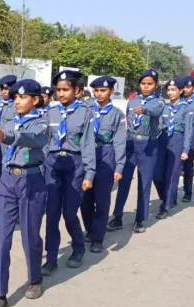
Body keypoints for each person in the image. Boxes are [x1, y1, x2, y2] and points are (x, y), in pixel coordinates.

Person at [0, 79, 50, 307]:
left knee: (30, 236)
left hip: (31, 182)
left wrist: (7, 136)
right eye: (15, 98)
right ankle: (0, 295)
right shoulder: (8, 118)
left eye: (23, 97)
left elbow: (32, 140)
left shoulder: (42, 122)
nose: (18, 101)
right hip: (8, 181)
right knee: (2, 238)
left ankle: (34, 279)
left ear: (35, 99)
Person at [40, 70, 96, 276]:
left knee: (69, 213)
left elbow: (89, 144)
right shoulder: (50, 112)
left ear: (77, 91)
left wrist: (89, 174)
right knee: (52, 214)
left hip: (75, 164)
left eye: (66, 89)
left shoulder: (85, 113)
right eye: (58, 90)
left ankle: (78, 247)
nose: (61, 93)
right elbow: (44, 142)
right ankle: (52, 257)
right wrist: (41, 167)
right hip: (53, 164)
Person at [108, 69, 165, 233]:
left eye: (150, 84)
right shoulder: (132, 101)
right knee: (123, 181)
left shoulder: (159, 102)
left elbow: (156, 111)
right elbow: (127, 119)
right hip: (132, 143)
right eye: (143, 83)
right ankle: (117, 217)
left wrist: (145, 110)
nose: (146, 87)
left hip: (149, 146)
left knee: (144, 182)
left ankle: (140, 219)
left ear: (156, 85)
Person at [80, 76, 126, 253]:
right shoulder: (85, 110)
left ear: (111, 92)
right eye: (96, 91)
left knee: (102, 199)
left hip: (106, 156)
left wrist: (119, 166)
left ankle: (97, 237)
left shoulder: (117, 115)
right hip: (86, 155)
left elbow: (119, 142)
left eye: (103, 91)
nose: (99, 94)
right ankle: (90, 229)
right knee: (85, 199)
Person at [153, 79, 194, 219]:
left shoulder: (186, 108)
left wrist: (185, 150)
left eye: (173, 90)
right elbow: (158, 125)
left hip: (178, 140)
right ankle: (168, 197)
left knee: (172, 175)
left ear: (181, 90)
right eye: (168, 90)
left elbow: (189, 130)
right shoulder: (165, 107)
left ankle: (165, 207)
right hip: (163, 140)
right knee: (157, 174)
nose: (170, 93)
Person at [0, 75, 18, 229]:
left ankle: (14, 214)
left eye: (7, 88)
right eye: (2, 88)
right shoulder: (2, 104)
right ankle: (1, 214)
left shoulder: (18, 105)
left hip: (10, 147)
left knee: (12, 182)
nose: (4, 91)